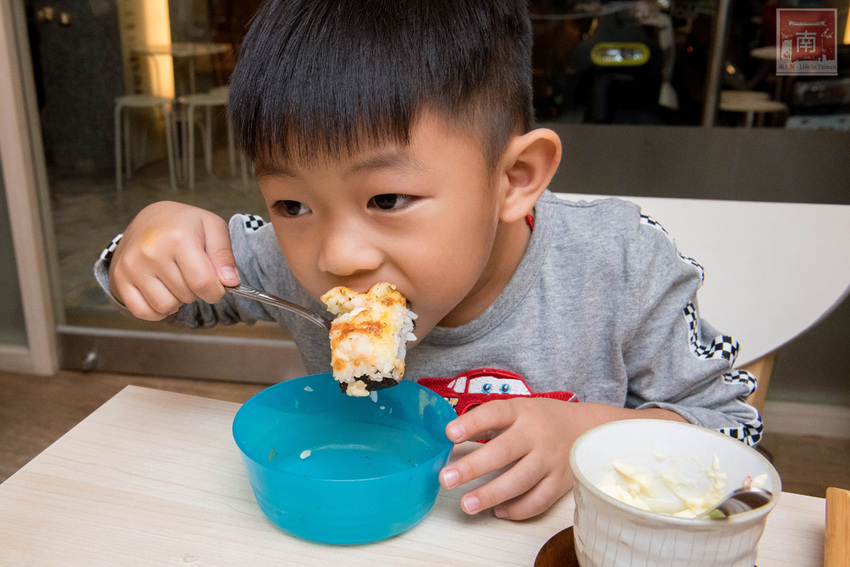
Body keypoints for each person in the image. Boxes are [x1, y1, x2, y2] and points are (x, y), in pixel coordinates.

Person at [95, 0, 762, 521]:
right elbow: (180, 288)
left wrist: (584, 435)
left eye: (387, 197)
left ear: (514, 177)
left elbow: (733, 433)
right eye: (292, 202)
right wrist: (146, 243)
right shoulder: (287, 257)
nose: (337, 255)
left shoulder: (617, 263)